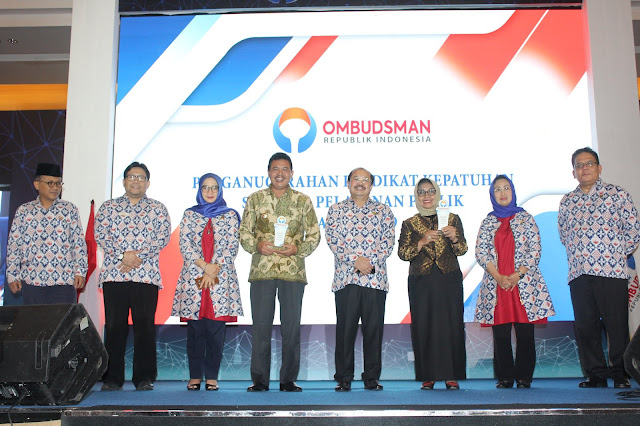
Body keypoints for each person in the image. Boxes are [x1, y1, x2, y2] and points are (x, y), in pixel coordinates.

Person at [558, 147, 640, 389]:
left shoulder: (617, 194)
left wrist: (613, 254)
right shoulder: (567, 201)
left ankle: (621, 373)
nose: (584, 168)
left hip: (611, 271)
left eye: (589, 163)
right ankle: (595, 374)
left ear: (599, 167)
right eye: (579, 165)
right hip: (579, 273)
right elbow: (564, 234)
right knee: (586, 326)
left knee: (616, 324)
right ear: (573, 172)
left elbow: (633, 231)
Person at [239, 152, 320, 392]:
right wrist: (257, 245)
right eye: (275, 169)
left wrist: (298, 249)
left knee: (291, 328)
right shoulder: (255, 199)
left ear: (292, 173)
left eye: (285, 169)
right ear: (268, 172)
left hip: (292, 271)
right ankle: (260, 380)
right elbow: (244, 232)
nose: (280, 173)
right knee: (261, 327)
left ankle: (288, 380)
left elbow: (314, 234)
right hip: (262, 270)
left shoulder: (303, 200)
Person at [95, 161, 171, 392]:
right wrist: (123, 256)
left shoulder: (158, 209)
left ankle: (144, 378)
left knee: (145, 328)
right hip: (115, 276)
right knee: (114, 327)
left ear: (148, 183)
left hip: (146, 276)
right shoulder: (108, 207)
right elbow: (101, 235)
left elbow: (162, 237)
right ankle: (112, 378)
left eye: (140, 177)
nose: (136, 181)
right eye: (131, 176)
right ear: (124, 181)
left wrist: (136, 257)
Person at [475, 175, 555, 389]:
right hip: (497, 285)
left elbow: (535, 250)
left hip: (523, 283)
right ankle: (505, 377)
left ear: (513, 191)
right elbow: (481, 253)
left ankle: (523, 377)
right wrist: (499, 277)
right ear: (492, 195)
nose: (502, 193)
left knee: (525, 333)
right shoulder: (488, 222)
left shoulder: (526, 218)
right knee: (500, 334)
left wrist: (517, 275)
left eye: (506, 188)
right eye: (497, 189)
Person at [325, 168, 395, 392]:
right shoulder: (336, 210)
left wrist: (368, 263)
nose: (360, 183)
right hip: (346, 279)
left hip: (375, 280)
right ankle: (344, 377)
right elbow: (333, 240)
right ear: (348, 183)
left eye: (366, 180)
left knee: (373, 331)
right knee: (345, 331)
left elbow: (388, 242)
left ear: (371, 185)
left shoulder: (383, 211)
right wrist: (355, 260)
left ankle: (371, 378)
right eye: (356, 179)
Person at [172, 173, 243, 391]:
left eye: (214, 188)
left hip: (220, 279)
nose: (210, 192)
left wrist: (213, 270)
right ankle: (195, 376)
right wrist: (204, 267)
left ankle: (211, 376)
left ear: (220, 190)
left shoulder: (230, 215)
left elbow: (231, 246)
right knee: (195, 331)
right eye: (205, 187)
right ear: (199, 190)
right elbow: (185, 245)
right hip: (195, 277)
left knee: (215, 331)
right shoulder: (190, 214)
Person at [398, 178, 467, 390]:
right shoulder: (410, 223)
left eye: (430, 191)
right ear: (416, 196)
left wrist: (455, 238)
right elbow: (403, 253)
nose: (426, 196)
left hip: (449, 279)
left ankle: (451, 375)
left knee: (451, 326)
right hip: (422, 281)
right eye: (421, 192)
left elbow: (462, 249)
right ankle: (427, 375)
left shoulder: (452, 219)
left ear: (437, 194)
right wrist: (421, 242)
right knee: (424, 326)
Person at [6, 163, 87, 304]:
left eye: (58, 183)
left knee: (64, 319)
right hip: (32, 280)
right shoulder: (24, 211)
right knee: (35, 319)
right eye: (50, 183)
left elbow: (78, 243)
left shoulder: (69, 209)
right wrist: (13, 274)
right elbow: (14, 245)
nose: (55, 187)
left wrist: (80, 271)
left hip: (64, 281)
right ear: (37, 184)